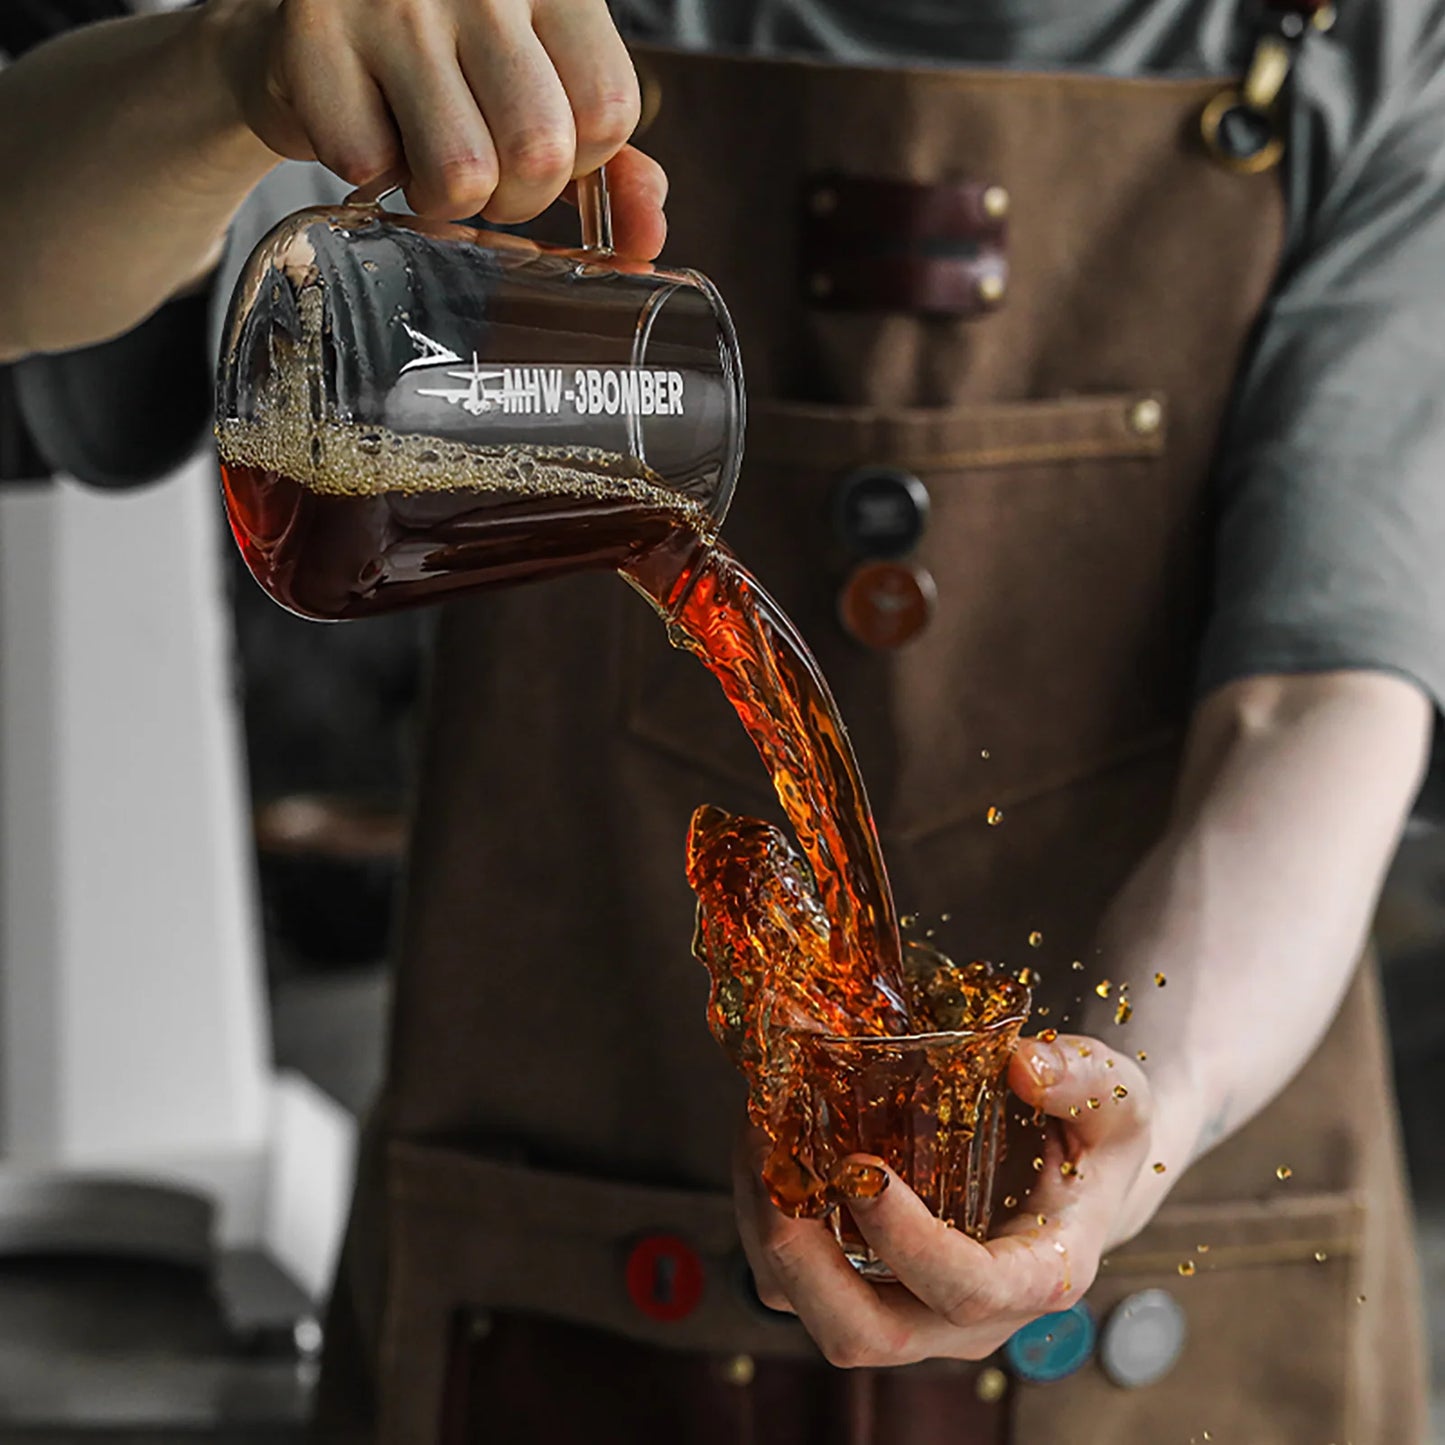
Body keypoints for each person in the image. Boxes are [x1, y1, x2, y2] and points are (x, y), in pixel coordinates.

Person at [1, 1, 1439, 1441]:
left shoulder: (1368, 43)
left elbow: (1313, 693)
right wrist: (228, 63)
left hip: (1178, 1316)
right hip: (548, 1287)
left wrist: (1149, 1096)